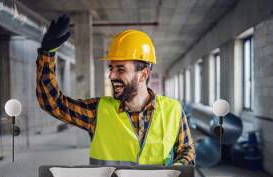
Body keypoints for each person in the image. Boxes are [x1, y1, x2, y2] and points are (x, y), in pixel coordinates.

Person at [36, 15, 195, 166]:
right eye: (111, 68)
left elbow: (187, 151)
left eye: (120, 69)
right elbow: (54, 104)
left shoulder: (173, 110)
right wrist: (47, 55)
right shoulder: (97, 111)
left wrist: (174, 170)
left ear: (143, 74)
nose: (111, 75)